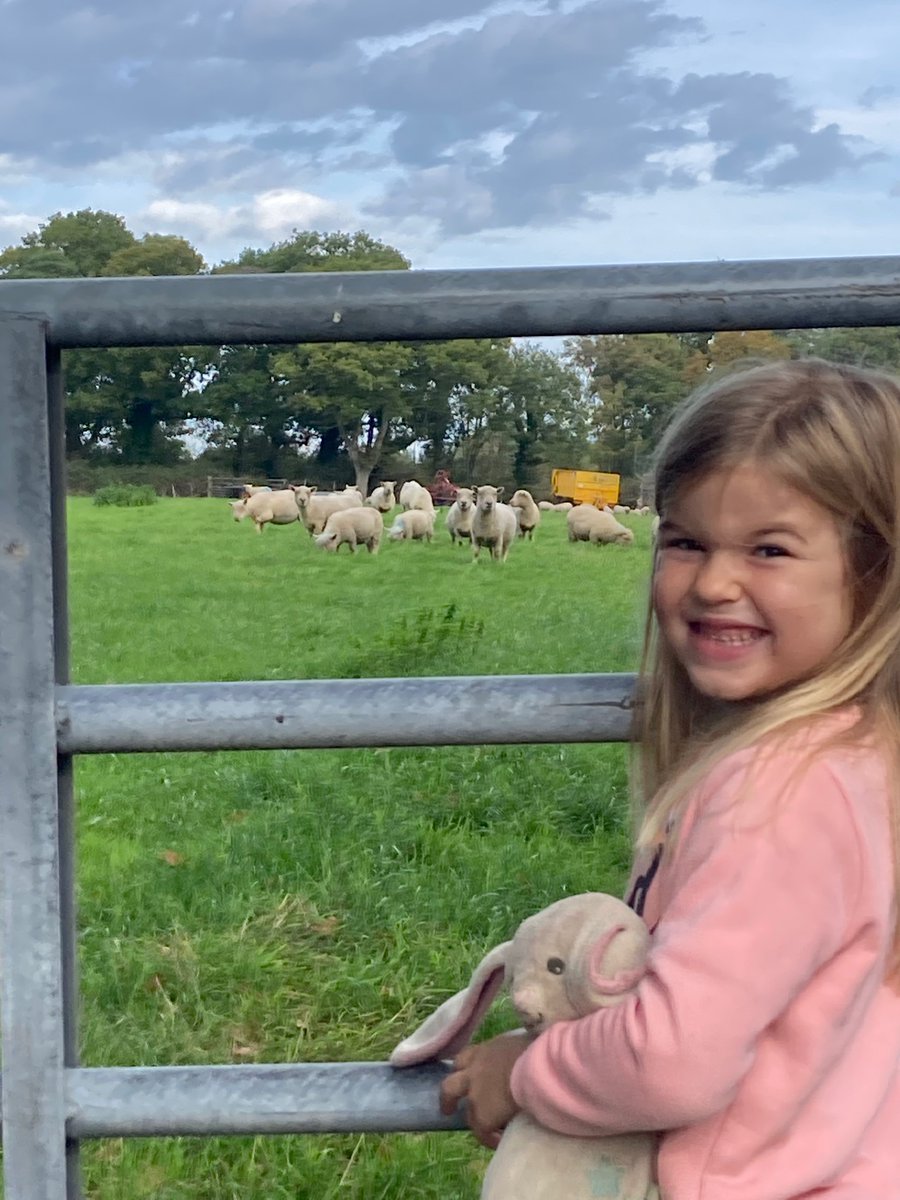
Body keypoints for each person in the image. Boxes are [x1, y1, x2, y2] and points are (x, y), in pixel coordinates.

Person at [439, 358, 900, 1198]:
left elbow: (675, 1058)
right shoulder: (863, 757)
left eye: (770, 549)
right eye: (685, 541)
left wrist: (532, 1068)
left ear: (874, 575)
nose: (714, 583)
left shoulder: (779, 793)